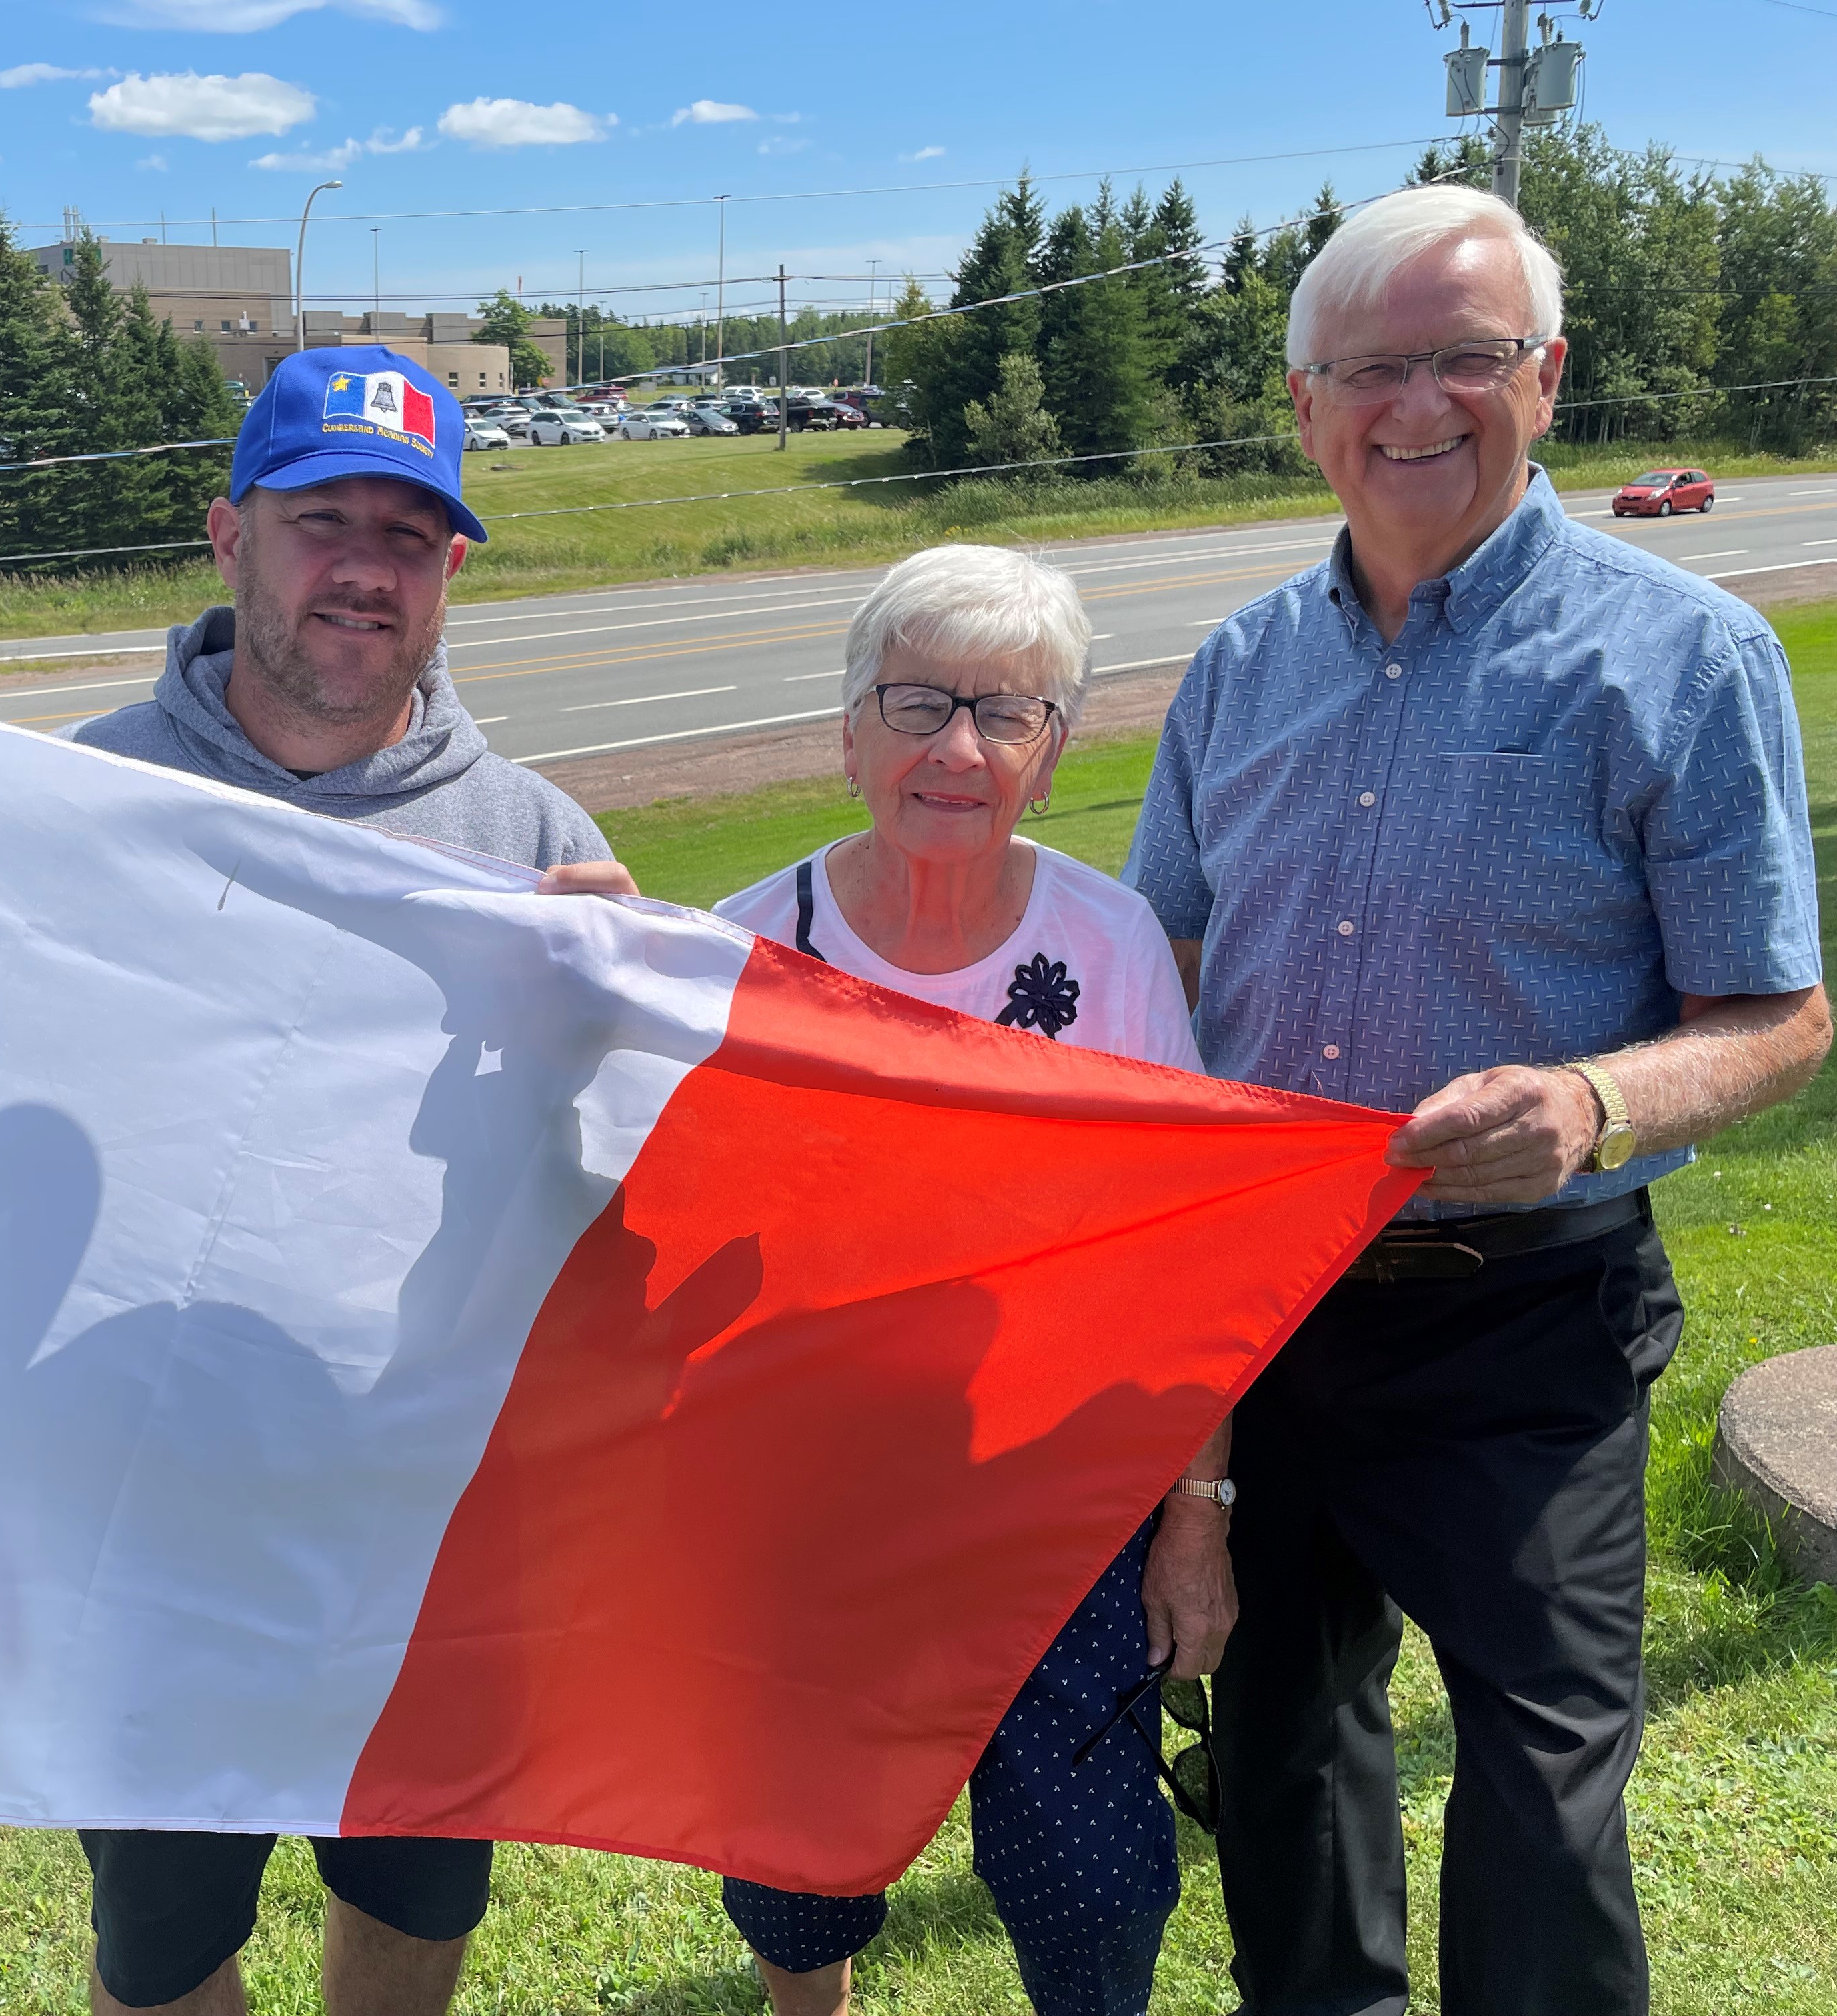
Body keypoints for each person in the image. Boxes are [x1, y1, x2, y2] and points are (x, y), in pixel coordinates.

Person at [1125, 184, 1828, 2015]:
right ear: (1303, 406)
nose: (1417, 404)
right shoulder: (1233, 672)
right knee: (1280, 1755)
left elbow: (1778, 1015)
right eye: (1371, 367)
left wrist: (1599, 1098)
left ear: (1549, 377)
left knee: (1539, 1786)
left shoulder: (1683, 656)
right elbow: (1160, 987)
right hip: (1274, 1311)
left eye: (1467, 357)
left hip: (1532, 1317)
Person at [66, 344, 634, 2016]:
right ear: (229, 533)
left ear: (451, 572)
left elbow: (602, 1196)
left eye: (410, 530)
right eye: (326, 520)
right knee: (160, 1957)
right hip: (150, 1496)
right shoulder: (80, 802)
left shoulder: (538, 846)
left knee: (413, 1895)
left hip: (426, 1500)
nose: (365, 568)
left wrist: (613, 1034)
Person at [713, 543, 1238, 2016]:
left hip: (1054, 1492)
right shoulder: (738, 951)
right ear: (848, 730)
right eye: (919, 700)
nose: (958, 746)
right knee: (802, 1854)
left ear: (1055, 753)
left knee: (1093, 1871)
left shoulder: (1112, 941)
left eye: (1007, 713)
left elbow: (1186, 1251)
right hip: (817, 1501)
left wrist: (1197, 1514)